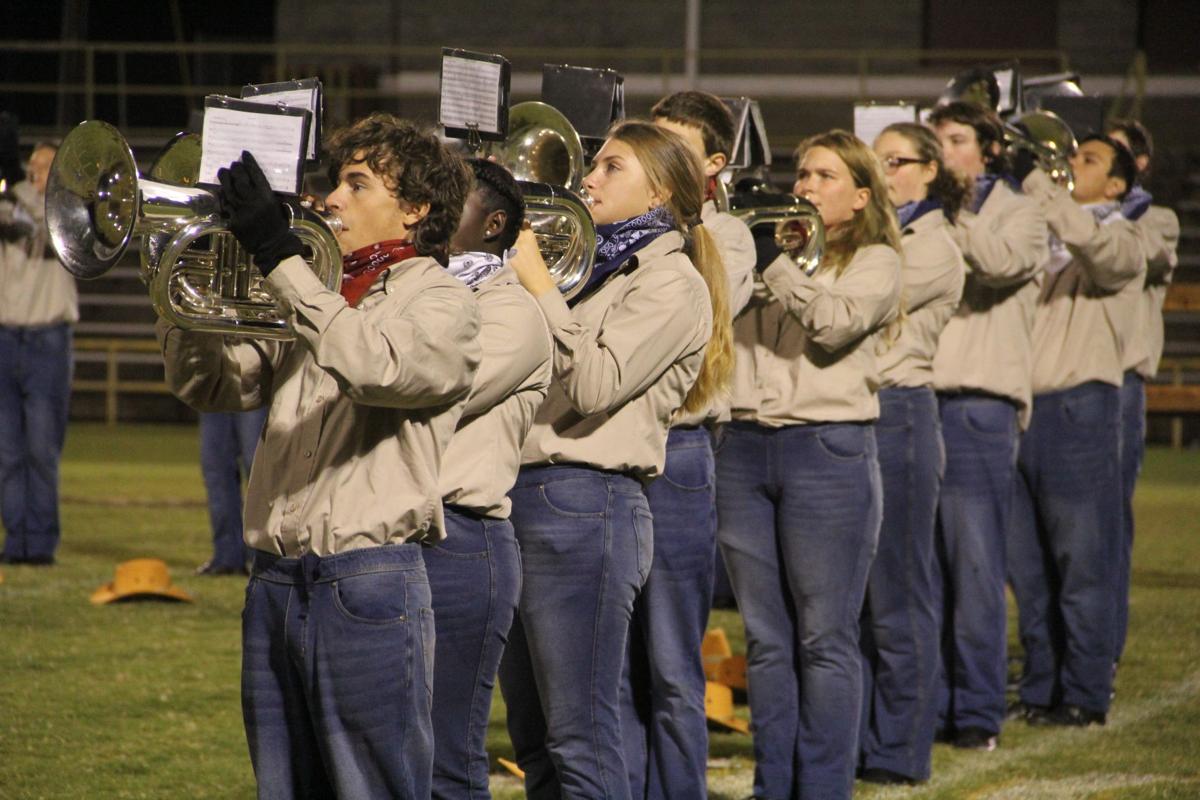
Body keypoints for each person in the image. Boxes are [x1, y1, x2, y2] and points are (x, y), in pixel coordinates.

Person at [157, 113, 480, 798]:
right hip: (275, 580)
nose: (331, 198)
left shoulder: (443, 301)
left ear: (415, 209)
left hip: (367, 582)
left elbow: (376, 368)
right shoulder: (313, 294)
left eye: (357, 185)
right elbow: (213, 384)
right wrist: (182, 286)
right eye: (335, 181)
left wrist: (280, 260)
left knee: (371, 788)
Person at [500, 119, 729, 800]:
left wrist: (539, 286)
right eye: (593, 166)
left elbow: (596, 384)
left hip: (587, 504)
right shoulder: (588, 266)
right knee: (534, 738)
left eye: (611, 167)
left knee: (582, 736)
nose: (588, 179)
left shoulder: (674, 284)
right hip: (520, 493)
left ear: (660, 191)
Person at [717, 129, 901, 800]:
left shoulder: (876, 260)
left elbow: (832, 323)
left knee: (824, 637)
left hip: (827, 450)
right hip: (742, 447)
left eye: (825, 176)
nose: (805, 186)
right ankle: (775, 787)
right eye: (802, 172)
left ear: (860, 196)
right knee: (765, 640)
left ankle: (823, 789)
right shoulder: (766, 251)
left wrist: (771, 264)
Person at [605, 91, 750, 800]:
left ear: (714, 164)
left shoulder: (729, 237)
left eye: (673, 144)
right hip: (611, 455)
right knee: (614, 660)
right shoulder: (609, 235)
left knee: (669, 661)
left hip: (678, 452)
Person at [1007, 133, 1145, 727]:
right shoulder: (1045, 233)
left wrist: (1036, 182)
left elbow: (1097, 248)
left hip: (1079, 408)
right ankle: (1041, 688)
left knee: (1081, 564)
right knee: (1030, 568)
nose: (1070, 166)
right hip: (1023, 410)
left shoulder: (1126, 232)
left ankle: (1087, 691)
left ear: (1116, 185)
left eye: (1088, 161)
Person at [927, 101, 1049, 750]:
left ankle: (975, 714)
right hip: (920, 402)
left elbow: (1002, 263)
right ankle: (930, 705)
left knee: (975, 569)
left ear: (988, 150)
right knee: (922, 571)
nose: (943, 151)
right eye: (935, 140)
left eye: (954, 140)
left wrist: (947, 212)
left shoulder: (1020, 211)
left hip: (979, 405)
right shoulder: (928, 211)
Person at [428, 158, 551, 799]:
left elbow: (423, 391)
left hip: (461, 545)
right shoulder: (410, 288)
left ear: (494, 224)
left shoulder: (515, 315)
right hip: (393, 537)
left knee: (447, 758)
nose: (431, 211)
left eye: (453, 202)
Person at [859, 122, 966, 784]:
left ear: (930, 170)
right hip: (856, 417)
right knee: (856, 600)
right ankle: (862, 736)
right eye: (872, 163)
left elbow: (866, 303)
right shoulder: (876, 238)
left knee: (899, 592)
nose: (882, 174)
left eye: (894, 162)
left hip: (899, 414)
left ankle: (899, 750)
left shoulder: (935, 246)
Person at [1104, 119, 1181, 668]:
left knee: (1105, 527)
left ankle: (1100, 651)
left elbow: (1140, 258)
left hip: (1118, 383)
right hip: (1056, 384)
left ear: (1139, 166)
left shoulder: (1158, 220)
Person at [0, 137, 78, 566]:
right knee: (8, 452)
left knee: (42, 450)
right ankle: (16, 541)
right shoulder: (9, 198)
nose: (37, 172)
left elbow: (52, 234)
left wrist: (23, 206)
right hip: (5, 336)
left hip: (48, 338)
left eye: (46, 166)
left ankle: (42, 543)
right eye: (33, 165)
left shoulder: (69, 207)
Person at [195, 409, 268, 575]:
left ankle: (264, 557)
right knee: (216, 470)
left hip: (255, 388)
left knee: (259, 468)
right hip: (215, 392)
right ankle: (227, 557)